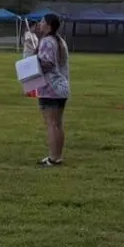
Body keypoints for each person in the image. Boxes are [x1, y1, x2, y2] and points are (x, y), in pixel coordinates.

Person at [32, 12, 69, 167]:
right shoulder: (60, 41)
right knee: (58, 123)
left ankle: (53, 157)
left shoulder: (47, 41)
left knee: (51, 124)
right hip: (62, 87)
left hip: (50, 88)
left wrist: (32, 64)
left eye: (42, 21)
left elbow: (48, 63)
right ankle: (57, 156)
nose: (39, 24)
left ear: (48, 25)